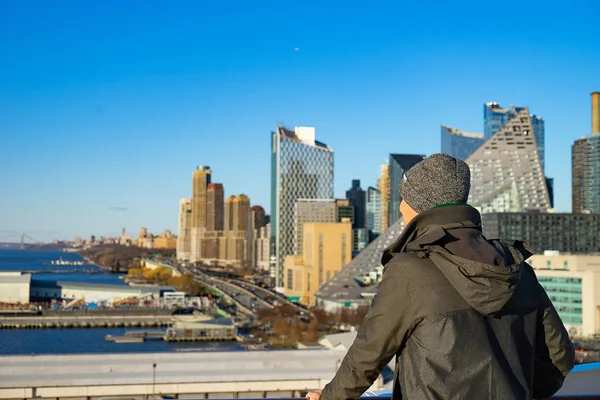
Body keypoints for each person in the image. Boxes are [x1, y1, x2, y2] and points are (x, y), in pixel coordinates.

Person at [306, 153, 574, 400]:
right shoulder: (517, 268)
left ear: (420, 205)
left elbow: (367, 357)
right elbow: (559, 357)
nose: (400, 207)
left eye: (405, 199)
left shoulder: (408, 270)